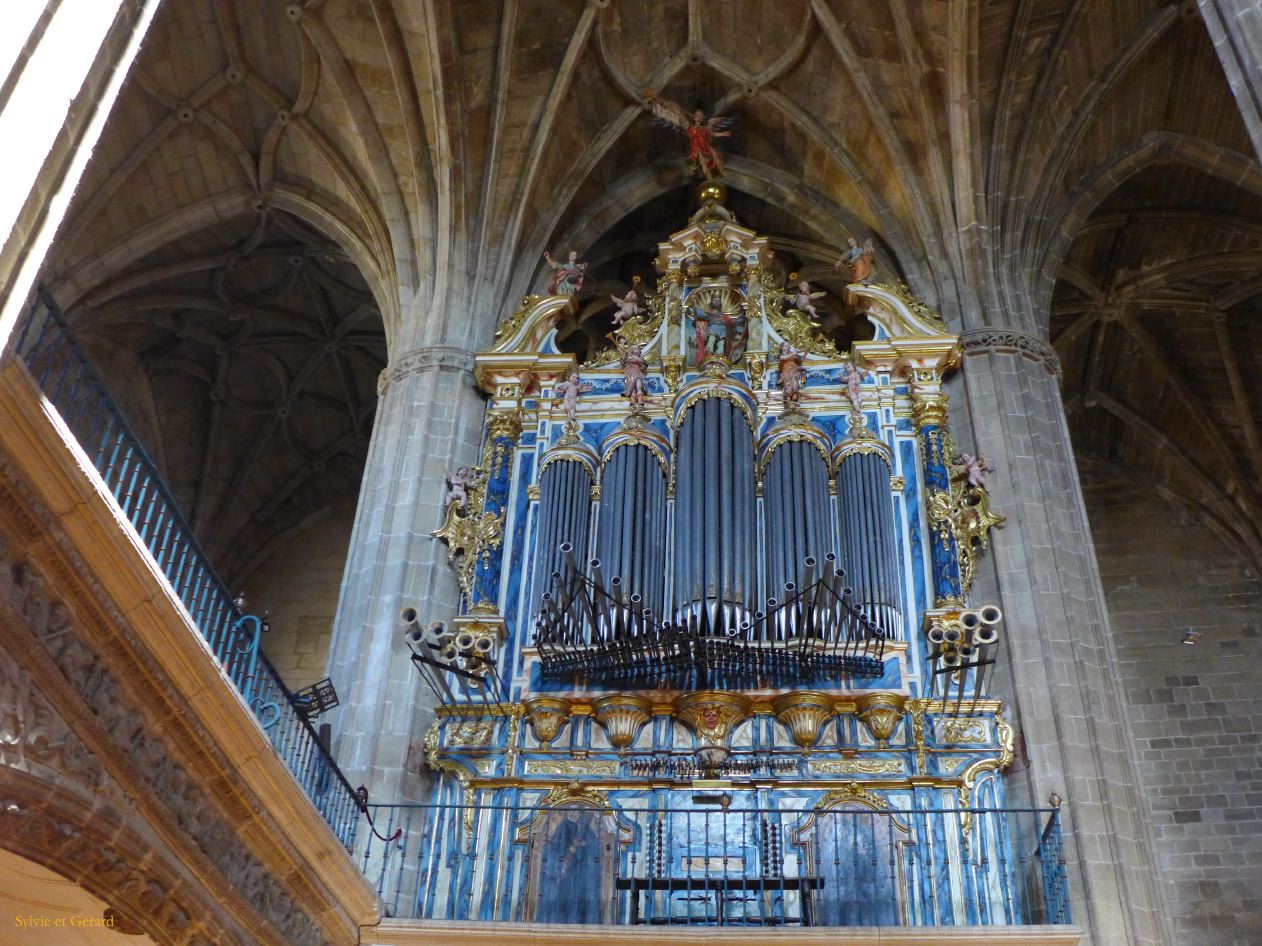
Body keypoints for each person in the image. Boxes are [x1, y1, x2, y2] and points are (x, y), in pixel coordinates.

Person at [617, 339, 649, 406]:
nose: (635, 349)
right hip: (630, 373)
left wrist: (633, 357)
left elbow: (643, 363)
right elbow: (621, 353)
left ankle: (640, 401)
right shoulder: (628, 357)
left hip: (638, 372)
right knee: (631, 388)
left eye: (636, 348)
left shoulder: (641, 358)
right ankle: (633, 402)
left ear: (639, 350)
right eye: (633, 348)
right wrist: (622, 343)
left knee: (639, 386)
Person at [778, 341, 806, 407]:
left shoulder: (792, 355)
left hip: (794, 369)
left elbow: (801, 359)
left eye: (788, 346)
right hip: (786, 369)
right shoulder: (781, 355)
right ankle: (788, 396)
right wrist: (793, 353)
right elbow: (784, 358)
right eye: (786, 346)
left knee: (794, 379)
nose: (788, 347)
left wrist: (806, 352)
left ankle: (794, 396)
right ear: (782, 348)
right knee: (788, 380)